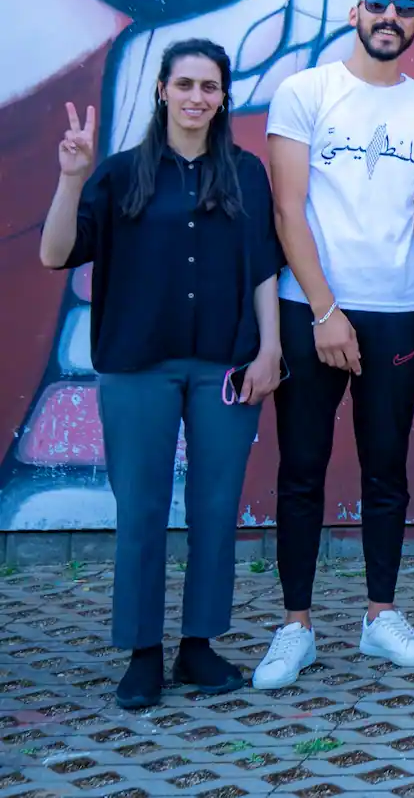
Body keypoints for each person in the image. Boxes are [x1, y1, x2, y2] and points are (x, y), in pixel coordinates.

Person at [37, 39, 282, 708]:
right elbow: (55, 251)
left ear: (224, 95)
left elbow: (263, 263)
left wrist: (269, 349)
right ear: (162, 90)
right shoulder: (118, 175)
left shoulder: (246, 172)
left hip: (225, 363)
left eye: (210, 86)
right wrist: (70, 176)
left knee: (213, 507)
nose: (197, 97)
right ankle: (142, 652)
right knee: (140, 509)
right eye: (185, 85)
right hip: (137, 364)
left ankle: (198, 646)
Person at [255, 0, 414, 689]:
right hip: (309, 305)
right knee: (302, 468)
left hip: (396, 307)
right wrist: (323, 310)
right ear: (354, 11)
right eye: (377, 3)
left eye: (404, 8)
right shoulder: (305, 91)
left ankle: (381, 616)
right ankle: (295, 627)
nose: (389, 16)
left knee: (387, 471)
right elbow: (288, 211)